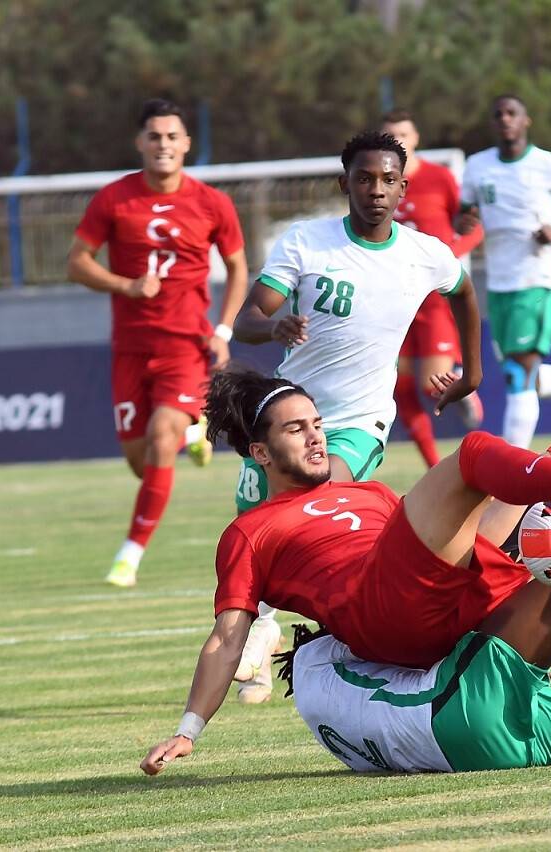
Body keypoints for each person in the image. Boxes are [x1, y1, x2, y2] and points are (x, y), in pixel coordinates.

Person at [138, 302, 551, 770]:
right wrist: (190, 730)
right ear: (258, 453)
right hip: (385, 612)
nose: (314, 434)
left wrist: (536, 629)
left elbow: (443, 548)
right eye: (294, 429)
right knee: (474, 456)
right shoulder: (249, 532)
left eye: (315, 421)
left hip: (445, 605)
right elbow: (229, 635)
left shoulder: (364, 491)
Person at [227, 130, 485, 702]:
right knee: (256, 524)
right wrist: (274, 327)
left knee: (314, 500)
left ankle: (274, 632)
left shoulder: (424, 253)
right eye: (364, 179)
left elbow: (464, 294)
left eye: (387, 180)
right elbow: (247, 319)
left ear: (402, 187)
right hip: (287, 415)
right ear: (344, 184)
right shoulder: (306, 243)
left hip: (359, 419)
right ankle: (269, 631)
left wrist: (473, 374)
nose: (376, 190)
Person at [68, 98, 249, 587]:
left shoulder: (213, 203)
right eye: (154, 136)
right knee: (140, 459)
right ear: (140, 143)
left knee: (160, 437)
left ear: (187, 144)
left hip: (185, 348)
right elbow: (77, 261)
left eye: (172, 136)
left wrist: (224, 330)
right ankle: (195, 432)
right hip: (129, 347)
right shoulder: (114, 199)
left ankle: (129, 555)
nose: (163, 145)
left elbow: (237, 267)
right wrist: (125, 285)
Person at [457, 94, 551, 449]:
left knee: (517, 373)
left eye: (512, 113)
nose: (505, 119)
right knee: (523, 373)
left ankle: (513, 469)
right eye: (498, 114)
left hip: (539, 277)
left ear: (526, 121)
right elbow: (464, 215)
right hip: (499, 280)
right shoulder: (478, 167)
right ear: (492, 124)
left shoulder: (550, 165)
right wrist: (466, 221)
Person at [382, 109, 486, 467]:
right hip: (393, 302)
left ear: (416, 139)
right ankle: (433, 466)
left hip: (433, 302)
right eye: (390, 135)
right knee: (402, 390)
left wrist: (445, 259)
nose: (397, 141)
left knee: (432, 385)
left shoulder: (439, 178)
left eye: (403, 134)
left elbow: (475, 228)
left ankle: (462, 385)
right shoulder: (378, 184)